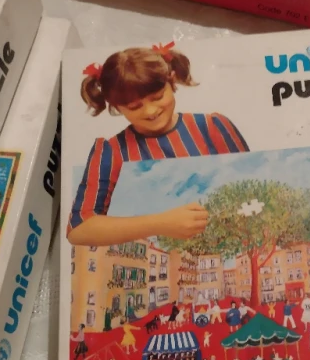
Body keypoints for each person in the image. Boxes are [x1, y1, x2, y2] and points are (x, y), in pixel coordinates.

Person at [66, 43, 249, 248]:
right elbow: (79, 229)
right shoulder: (111, 152)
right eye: (135, 107)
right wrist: (161, 224)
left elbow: (250, 187)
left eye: (158, 97)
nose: (150, 111)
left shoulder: (212, 127)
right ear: (116, 107)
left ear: (172, 81)